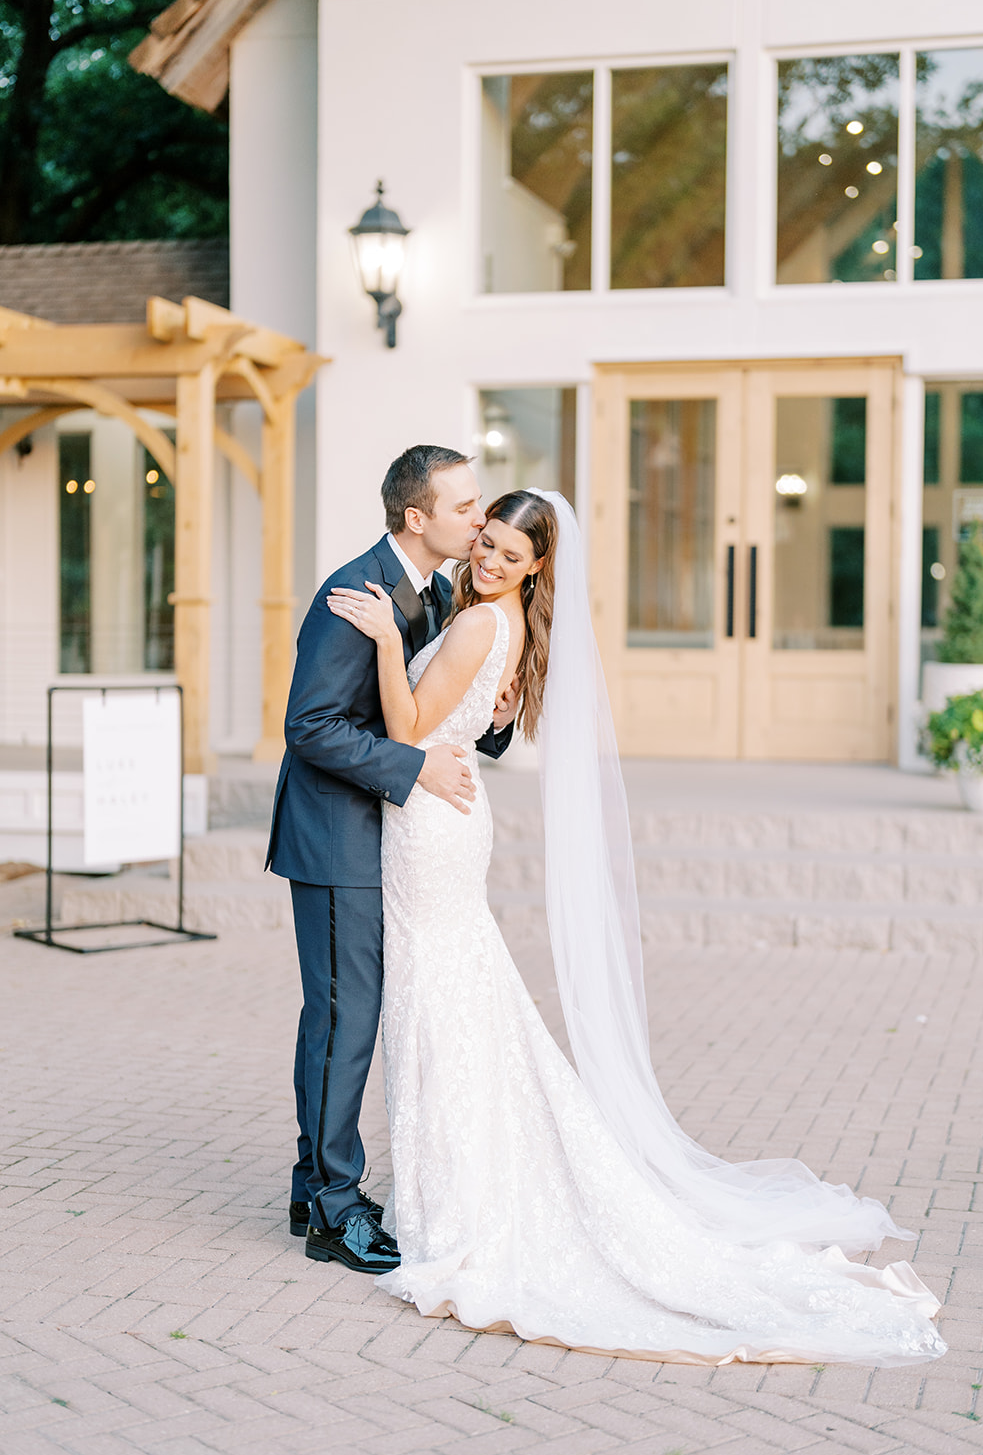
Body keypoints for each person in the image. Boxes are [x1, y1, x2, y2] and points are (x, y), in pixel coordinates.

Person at [325, 488, 947, 1366]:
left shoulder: (474, 626)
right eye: (487, 544)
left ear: (538, 565)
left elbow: (407, 727)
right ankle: (459, 1182)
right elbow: (469, 722)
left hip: (431, 823)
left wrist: (389, 641)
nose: (490, 560)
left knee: (440, 998)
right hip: (447, 820)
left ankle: (455, 1200)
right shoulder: (502, 624)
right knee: (458, 994)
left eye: (510, 553)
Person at [266, 447, 516, 1275]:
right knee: (344, 1018)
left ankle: (314, 1186)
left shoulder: (439, 591)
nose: (479, 521)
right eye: (464, 508)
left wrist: (492, 719)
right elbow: (311, 727)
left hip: (389, 837)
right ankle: (335, 1210)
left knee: (343, 1018)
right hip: (336, 836)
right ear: (418, 517)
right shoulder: (355, 595)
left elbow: (428, 707)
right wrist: (410, 769)